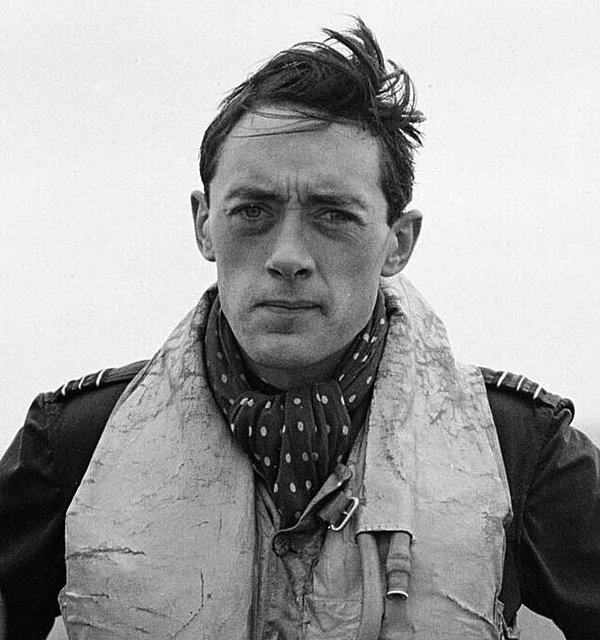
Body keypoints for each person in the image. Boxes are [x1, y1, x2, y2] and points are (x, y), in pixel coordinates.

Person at [1, 18, 599, 640]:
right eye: (252, 211)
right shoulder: (74, 446)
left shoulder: (519, 450)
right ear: (204, 225)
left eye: (332, 215)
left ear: (399, 242)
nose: (288, 256)